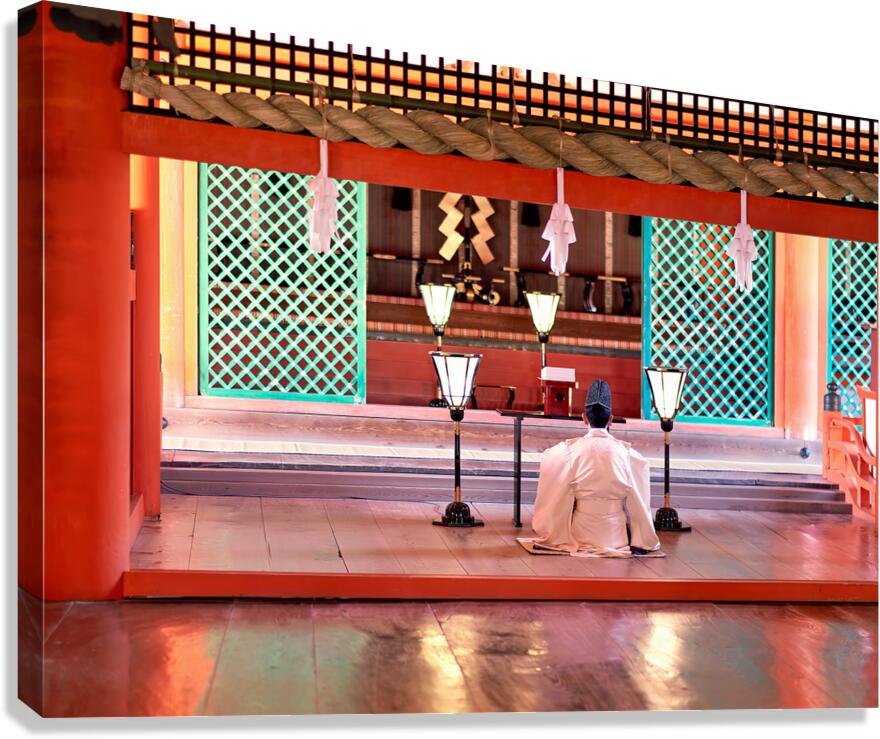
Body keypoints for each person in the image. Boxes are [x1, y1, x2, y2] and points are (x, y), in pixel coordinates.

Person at [526, 379, 661, 557]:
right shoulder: (629, 455)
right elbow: (640, 503)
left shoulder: (568, 451)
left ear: (584, 418)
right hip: (617, 538)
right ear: (611, 420)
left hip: (580, 536)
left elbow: (549, 464)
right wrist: (642, 540)